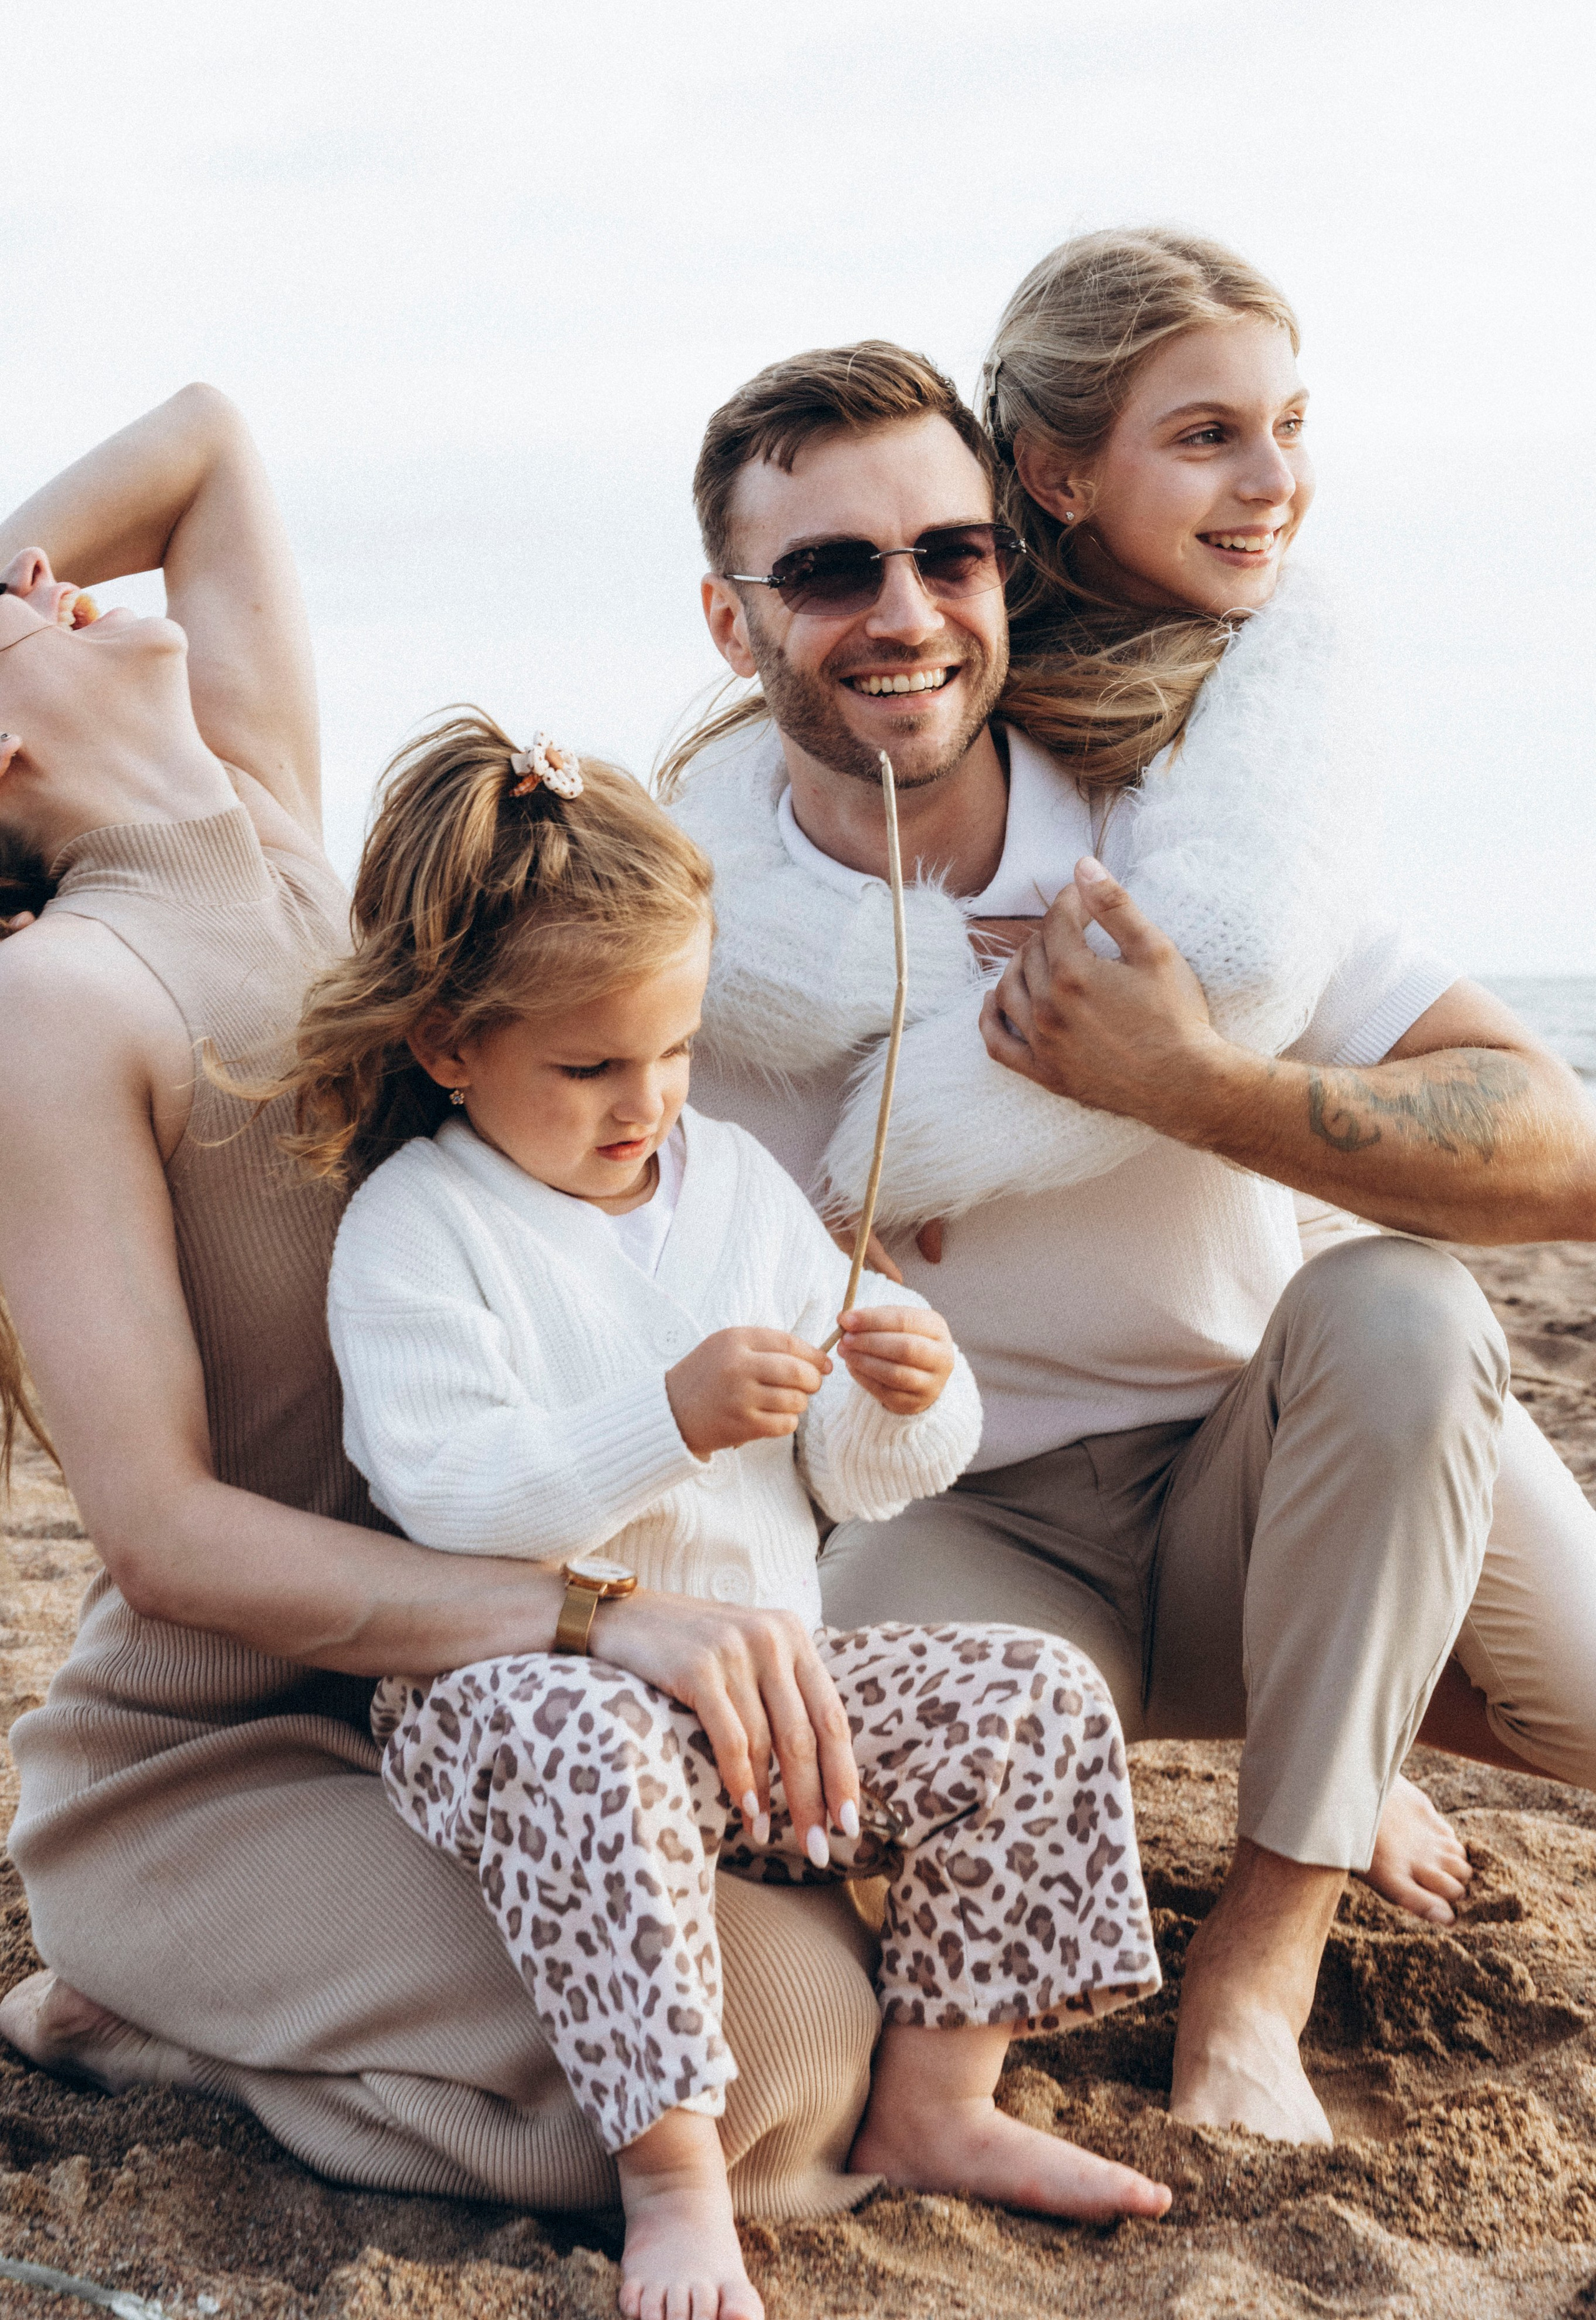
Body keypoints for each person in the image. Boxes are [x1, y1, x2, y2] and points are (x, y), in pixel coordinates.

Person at [662, 237, 1596, 2147]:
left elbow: (1560, 1148)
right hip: (962, 1526)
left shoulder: (1180, 840)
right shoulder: (684, 919)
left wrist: (1191, 1084)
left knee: (1404, 1309)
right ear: (730, 614)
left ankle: (1266, 1947)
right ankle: (1354, 1723)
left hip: (1270, 1486)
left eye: (946, 555)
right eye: (831, 572)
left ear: (1009, 544)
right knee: (818, 1894)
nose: (903, 612)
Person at [0, 388, 906, 2222]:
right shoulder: (62, 1003)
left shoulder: (263, 811)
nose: (57, 584)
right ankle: (153, 2017)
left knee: (822, 2023)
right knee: (762, 2067)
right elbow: (164, 1540)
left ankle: (267, 2001)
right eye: (27, 615)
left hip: (445, 1715)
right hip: (214, 1762)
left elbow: (206, 445)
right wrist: (592, 1619)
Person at [276, 709, 1168, 2317]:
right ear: (448, 1048)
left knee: (1036, 1695)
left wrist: (909, 1394)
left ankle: (939, 2106)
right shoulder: (419, 1230)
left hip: (766, 1699)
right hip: (525, 1704)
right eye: (592, 1067)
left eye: (676, 1051)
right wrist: (666, 1417)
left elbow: (847, 1478)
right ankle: (673, 2182)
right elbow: (447, 1489)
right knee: (587, 1747)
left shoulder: (738, 1188)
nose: (648, 1101)